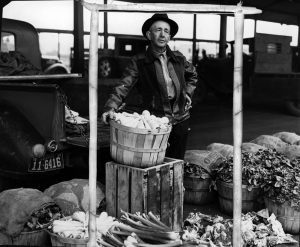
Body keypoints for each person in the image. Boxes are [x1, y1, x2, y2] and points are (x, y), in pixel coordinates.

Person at [102, 13, 198, 160]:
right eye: (158, 30)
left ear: (170, 37)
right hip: (155, 122)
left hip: (181, 118)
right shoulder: (139, 61)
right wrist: (111, 107)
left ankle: (174, 184)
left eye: (166, 31)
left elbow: (192, 75)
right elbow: (124, 85)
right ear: (149, 35)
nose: (162, 34)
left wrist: (188, 93)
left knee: (177, 161)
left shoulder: (179, 58)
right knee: (154, 160)